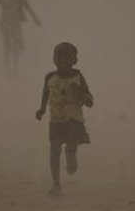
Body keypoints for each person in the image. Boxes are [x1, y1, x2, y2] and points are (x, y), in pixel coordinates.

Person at [36, 42, 93, 195]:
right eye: (59, 57)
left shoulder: (78, 77)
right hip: (56, 121)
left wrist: (79, 93)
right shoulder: (49, 77)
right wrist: (41, 109)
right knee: (54, 150)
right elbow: (45, 94)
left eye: (67, 57)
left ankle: (71, 153)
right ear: (54, 59)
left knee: (71, 144)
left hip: (74, 120)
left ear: (75, 60)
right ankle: (56, 184)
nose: (63, 60)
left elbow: (90, 101)